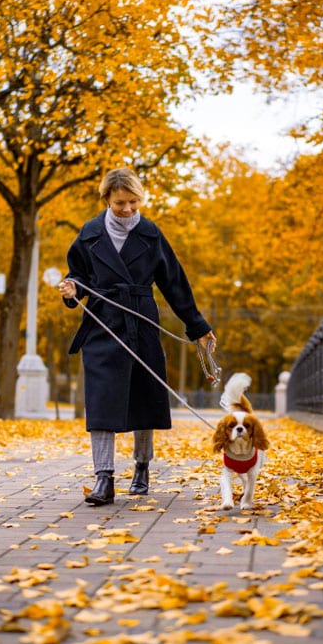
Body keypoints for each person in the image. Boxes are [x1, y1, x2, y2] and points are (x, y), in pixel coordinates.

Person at [59, 167, 216, 506]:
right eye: (119, 204)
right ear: (106, 200)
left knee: (145, 397)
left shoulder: (150, 234)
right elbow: (77, 276)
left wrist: (198, 327)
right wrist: (71, 289)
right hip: (103, 324)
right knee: (101, 399)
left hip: (142, 320)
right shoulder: (88, 234)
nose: (128, 210)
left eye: (133, 202)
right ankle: (103, 478)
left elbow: (175, 283)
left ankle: (142, 469)